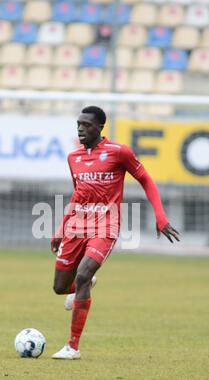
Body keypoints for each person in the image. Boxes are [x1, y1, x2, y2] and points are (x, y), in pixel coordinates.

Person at [51, 106, 180, 359]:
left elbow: (146, 179)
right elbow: (78, 194)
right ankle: (80, 287)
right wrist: (60, 228)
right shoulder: (73, 158)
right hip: (77, 225)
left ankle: (72, 347)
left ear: (100, 127)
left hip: (105, 225)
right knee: (58, 287)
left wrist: (160, 216)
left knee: (85, 272)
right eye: (78, 124)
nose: (80, 128)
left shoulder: (119, 153)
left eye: (86, 125)